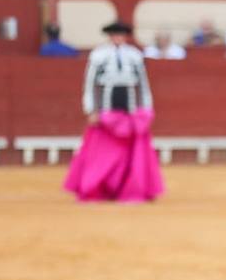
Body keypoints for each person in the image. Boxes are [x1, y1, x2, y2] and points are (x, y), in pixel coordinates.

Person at [64, 21, 164, 204]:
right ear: (110, 36)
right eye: (115, 35)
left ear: (125, 36)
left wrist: (146, 110)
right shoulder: (99, 56)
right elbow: (90, 85)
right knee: (101, 155)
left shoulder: (135, 56)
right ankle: (98, 188)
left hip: (130, 112)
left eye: (121, 34)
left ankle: (130, 190)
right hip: (105, 114)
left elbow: (142, 85)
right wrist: (91, 110)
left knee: (130, 156)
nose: (118, 38)